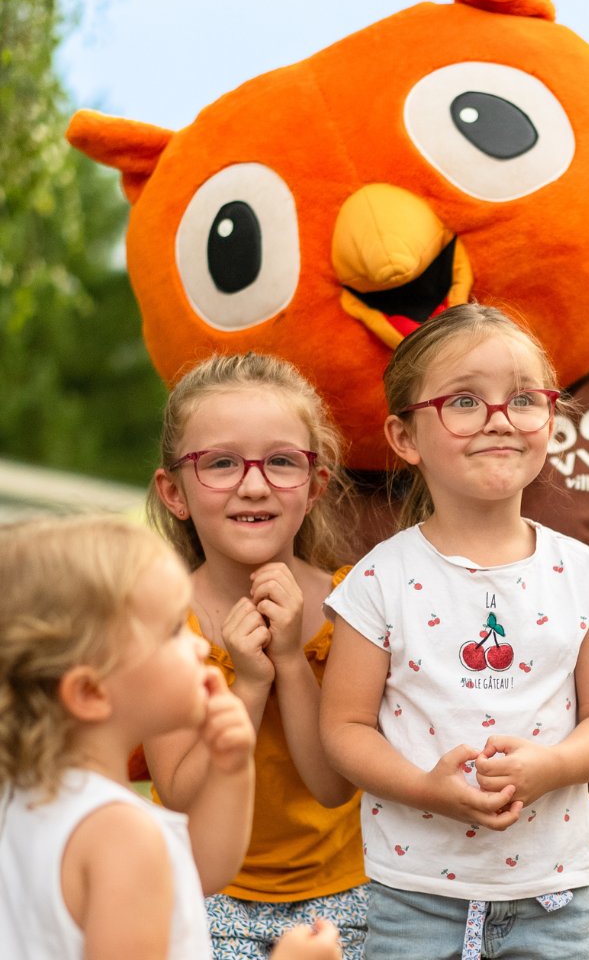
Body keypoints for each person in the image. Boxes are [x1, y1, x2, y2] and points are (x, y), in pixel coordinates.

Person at [320, 303, 589, 960]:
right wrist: (425, 788)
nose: (499, 420)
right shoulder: (378, 581)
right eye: (465, 401)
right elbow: (344, 730)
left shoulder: (585, 577)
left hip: (554, 899)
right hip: (408, 898)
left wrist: (552, 768)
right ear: (405, 438)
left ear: (549, 419)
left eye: (523, 399)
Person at [0, 514, 342, 960]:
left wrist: (231, 767)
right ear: (90, 692)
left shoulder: (30, 799)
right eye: (174, 631)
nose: (201, 645)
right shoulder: (121, 835)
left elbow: (200, 870)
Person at [146, 353, 368, 959]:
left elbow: (333, 788)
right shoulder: (161, 621)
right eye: (219, 463)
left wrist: (292, 661)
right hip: (209, 893)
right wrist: (247, 684)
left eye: (280, 462)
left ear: (314, 485)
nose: (253, 483)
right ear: (176, 492)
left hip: (350, 894)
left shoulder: (355, 605)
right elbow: (183, 791)